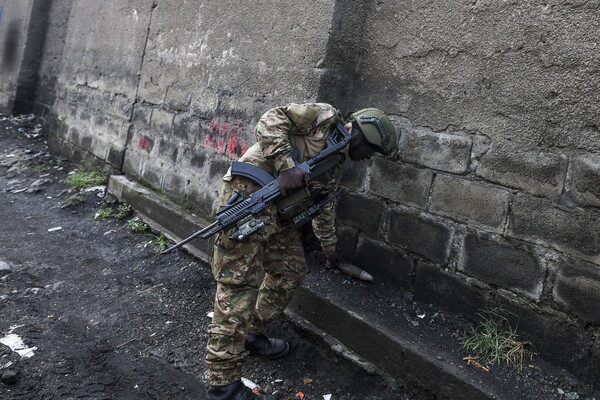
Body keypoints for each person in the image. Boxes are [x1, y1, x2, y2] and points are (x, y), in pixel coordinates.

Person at [206, 103, 398, 400]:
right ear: (366, 135)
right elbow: (270, 119)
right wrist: (287, 166)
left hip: (276, 213)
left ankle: (250, 334)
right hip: (249, 193)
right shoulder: (325, 117)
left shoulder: (335, 161)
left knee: (291, 271)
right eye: (372, 151)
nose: (368, 159)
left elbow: (324, 207)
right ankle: (225, 388)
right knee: (237, 287)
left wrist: (330, 250)